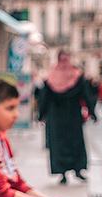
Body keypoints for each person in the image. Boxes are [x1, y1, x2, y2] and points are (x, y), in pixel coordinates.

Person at [37, 51, 95, 183]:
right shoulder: (77, 76)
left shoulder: (51, 76)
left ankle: (62, 172)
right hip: (73, 116)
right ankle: (78, 169)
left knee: (58, 145)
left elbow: (43, 99)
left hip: (55, 117)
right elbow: (87, 96)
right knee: (76, 143)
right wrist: (92, 112)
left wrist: (41, 115)